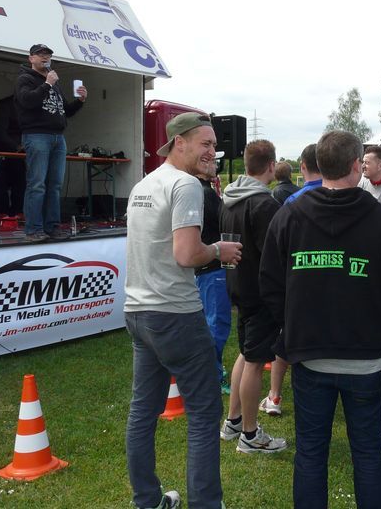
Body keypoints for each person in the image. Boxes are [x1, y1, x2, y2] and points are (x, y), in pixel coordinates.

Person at [260, 130, 381, 509]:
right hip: (358, 355)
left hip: (316, 353)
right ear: (355, 166)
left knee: (312, 453)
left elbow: (269, 284)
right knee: (366, 453)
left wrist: (294, 321)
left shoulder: (291, 216)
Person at [124, 112, 241, 509]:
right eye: (205, 144)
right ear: (179, 143)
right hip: (175, 313)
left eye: (214, 145)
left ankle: (147, 500)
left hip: (138, 313)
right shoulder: (186, 185)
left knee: (143, 412)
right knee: (205, 413)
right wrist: (219, 250)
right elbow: (186, 254)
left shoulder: (144, 184)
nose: (213, 152)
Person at [219, 140, 287, 453]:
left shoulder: (229, 198)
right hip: (260, 293)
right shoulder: (263, 204)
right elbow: (276, 255)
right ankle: (249, 434)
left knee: (246, 354)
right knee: (256, 362)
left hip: (238, 286)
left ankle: (233, 421)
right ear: (271, 166)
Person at [14, 43, 87, 241]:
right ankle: (33, 229)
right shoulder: (25, 78)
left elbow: (66, 111)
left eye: (47, 55)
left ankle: (52, 227)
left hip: (58, 137)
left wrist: (80, 101)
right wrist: (47, 84)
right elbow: (27, 101)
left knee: (55, 185)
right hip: (37, 135)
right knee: (37, 184)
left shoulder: (53, 81)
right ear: (31, 58)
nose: (45, 58)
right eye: (40, 55)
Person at [194, 153, 233, 394]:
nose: (215, 165)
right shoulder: (205, 193)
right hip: (213, 268)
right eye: (209, 161)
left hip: (206, 267)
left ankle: (209, 372)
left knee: (209, 323)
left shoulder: (199, 191)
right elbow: (223, 225)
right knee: (217, 325)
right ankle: (213, 376)